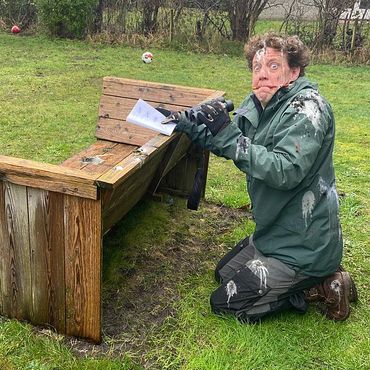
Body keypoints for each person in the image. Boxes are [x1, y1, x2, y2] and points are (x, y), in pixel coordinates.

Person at [162, 33, 357, 322]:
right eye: (256, 68)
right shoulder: (258, 104)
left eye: (273, 66)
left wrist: (226, 135)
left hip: (303, 243)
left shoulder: (308, 108)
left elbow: (285, 170)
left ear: (294, 71)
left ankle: (322, 280)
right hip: (273, 233)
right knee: (223, 274)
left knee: (226, 303)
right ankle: (301, 278)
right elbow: (228, 140)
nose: (262, 74)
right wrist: (188, 125)